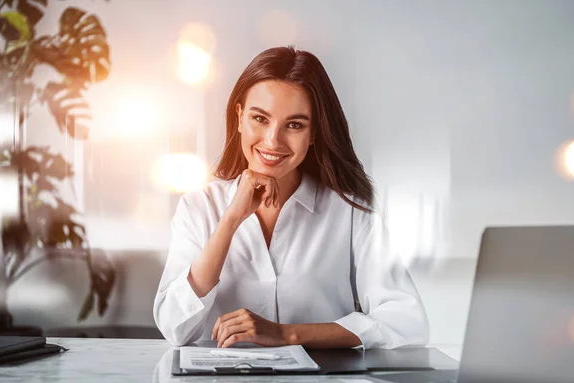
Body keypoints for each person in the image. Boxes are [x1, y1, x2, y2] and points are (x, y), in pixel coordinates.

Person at [153, 46, 429, 349]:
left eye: (295, 125)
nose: (273, 140)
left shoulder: (350, 212)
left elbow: (406, 322)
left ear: (314, 133)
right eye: (260, 118)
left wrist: (287, 335)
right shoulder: (199, 207)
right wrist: (231, 219)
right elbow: (174, 327)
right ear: (240, 116)